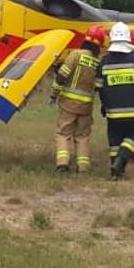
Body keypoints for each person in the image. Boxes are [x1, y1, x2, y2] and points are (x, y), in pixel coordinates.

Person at [96, 22, 134, 179]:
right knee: (132, 136)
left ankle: (116, 169)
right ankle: (120, 162)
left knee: (114, 139)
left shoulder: (104, 62)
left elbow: (99, 86)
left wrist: (104, 105)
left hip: (112, 110)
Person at [51, 25, 105, 172]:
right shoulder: (98, 61)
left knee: (64, 133)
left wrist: (53, 94)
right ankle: (83, 167)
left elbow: (62, 77)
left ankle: (62, 164)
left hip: (68, 104)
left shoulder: (76, 55)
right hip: (86, 106)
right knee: (82, 136)